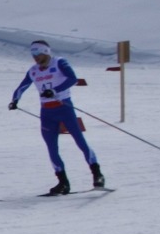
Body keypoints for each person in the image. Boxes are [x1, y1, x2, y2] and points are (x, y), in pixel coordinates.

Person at [8, 40, 104, 195]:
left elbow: (72, 79)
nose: (35, 57)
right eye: (33, 54)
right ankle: (63, 182)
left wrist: (55, 90)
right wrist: (15, 100)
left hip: (64, 108)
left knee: (80, 142)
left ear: (45, 52)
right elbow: (22, 86)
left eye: (37, 53)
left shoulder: (59, 62)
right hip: (47, 113)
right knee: (52, 148)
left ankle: (97, 174)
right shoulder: (33, 71)